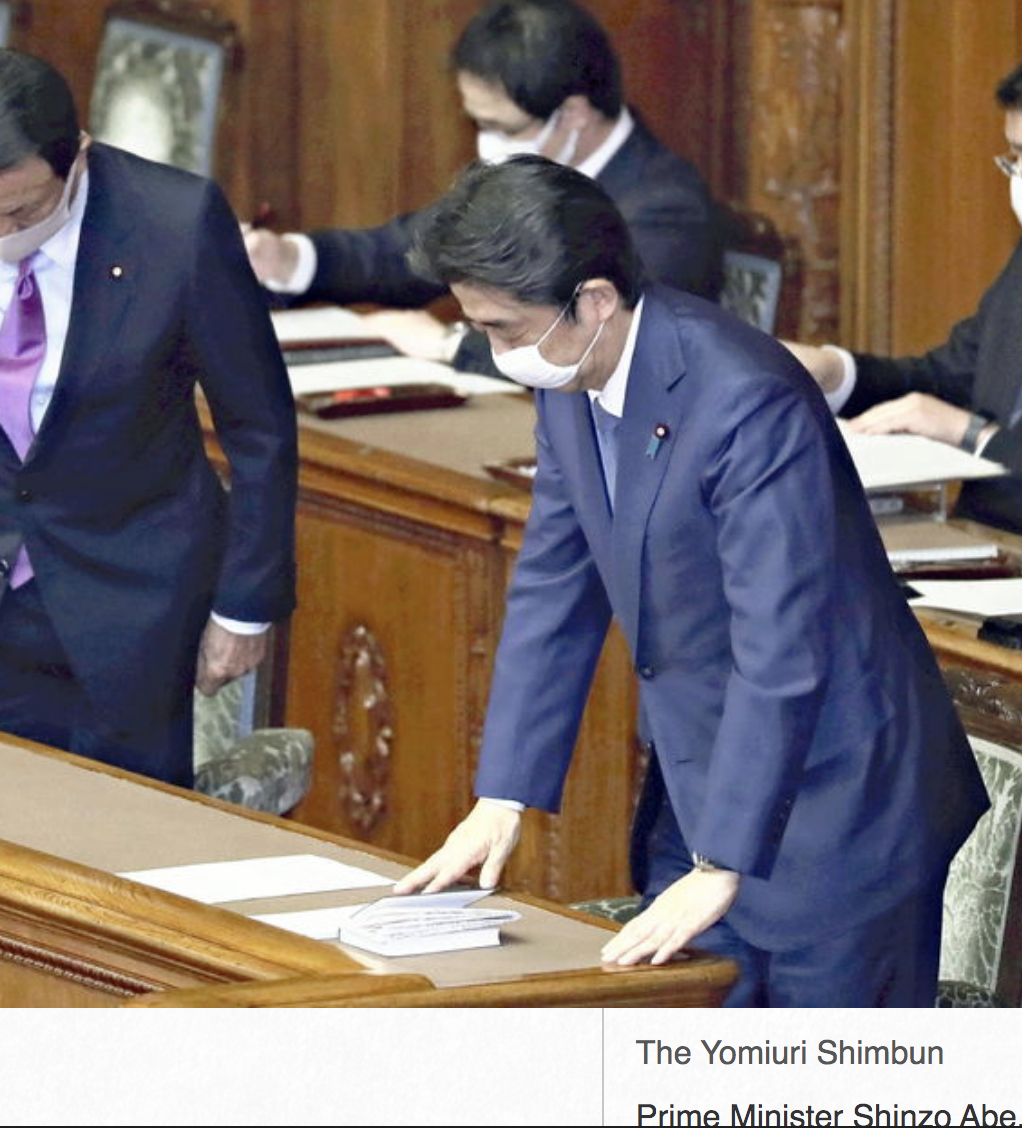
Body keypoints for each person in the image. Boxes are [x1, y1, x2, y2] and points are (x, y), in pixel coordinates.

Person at [393, 157, 988, 1006]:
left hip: (841, 811)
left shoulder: (745, 398)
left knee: (829, 1072)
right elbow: (554, 587)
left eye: (505, 328)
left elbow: (782, 646)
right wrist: (504, 795)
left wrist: (723, 860)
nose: (499, 353)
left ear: (594, 301)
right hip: (706, 789)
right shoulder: (572, 378)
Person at [0, 48, 298, 788]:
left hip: (140, 594)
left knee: (129, 828)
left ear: (79, 156)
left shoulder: (174, 221)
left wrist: (244, 609)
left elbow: (260, 430)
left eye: (24, 211)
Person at [243, 0, 721, 374]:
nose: (486, 141)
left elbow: (610, 350)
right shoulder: (524, 175)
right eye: (477, 122)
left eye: (502, 127)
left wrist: (452, 345)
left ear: (573, 113)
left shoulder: (665, 207)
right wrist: (289, 259)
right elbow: (407, 253)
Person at [786, 61, 1022, 533]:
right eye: (1014, 157)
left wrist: (969, 433)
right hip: (981, 550)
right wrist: (834, 373)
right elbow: (946, 381)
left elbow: (950, 417)